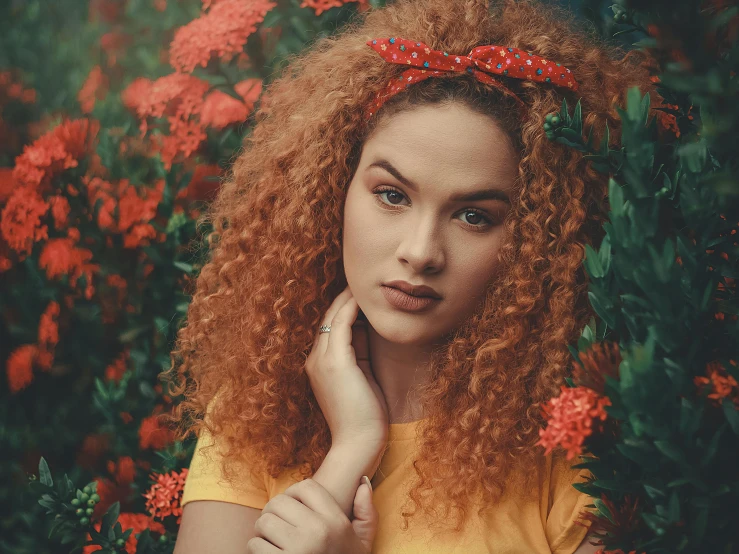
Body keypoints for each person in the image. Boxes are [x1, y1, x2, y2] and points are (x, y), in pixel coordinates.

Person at [166, 0, 656, 552]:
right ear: (334, 192)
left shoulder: (571, 443)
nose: (421, 252)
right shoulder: (256, 413)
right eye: (392, 195)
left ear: (534, 242)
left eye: (475, 216)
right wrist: (352, 447)